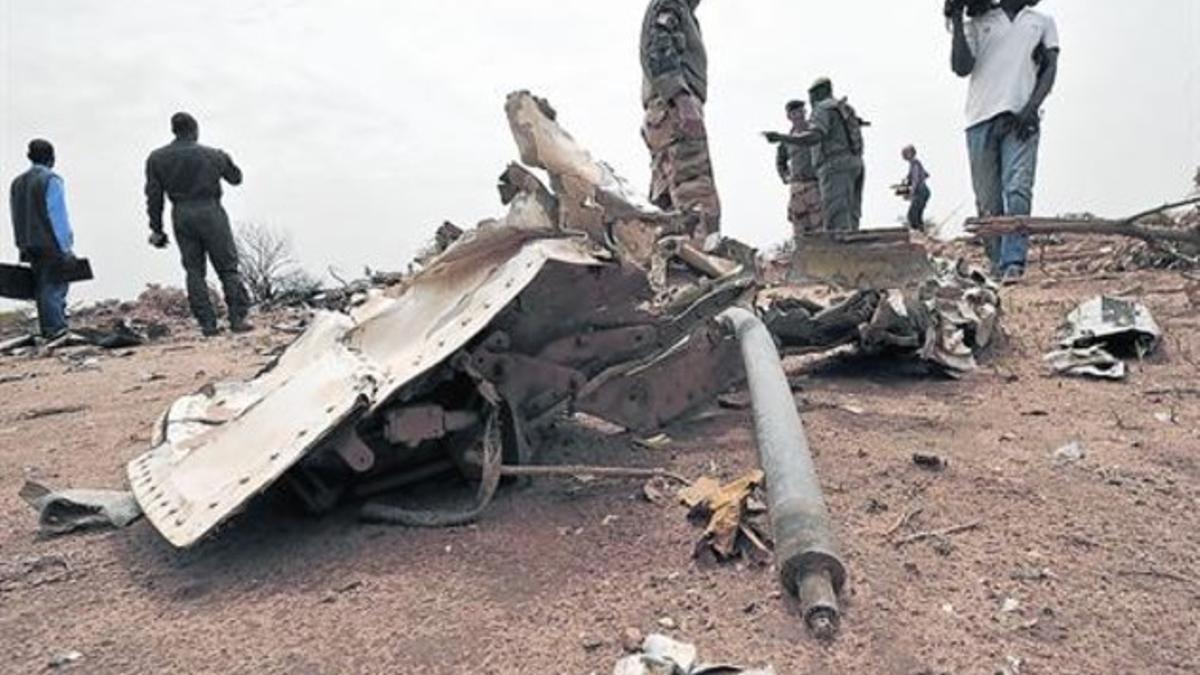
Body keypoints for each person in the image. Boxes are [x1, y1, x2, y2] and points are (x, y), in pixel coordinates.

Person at [949, 0, 1060, 283]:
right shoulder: (979, 19)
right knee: (987, 198)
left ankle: (1013, 262)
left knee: (1018, 189)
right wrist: (958, 17)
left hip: (1021, 118)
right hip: (980, 118)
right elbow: (961, 67)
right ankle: (996, 262)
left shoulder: (1041, 22)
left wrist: (1031, 109)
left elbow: (1049, 69)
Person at [145, 112, 252, 336]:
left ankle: (207, 324)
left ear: (174, 131)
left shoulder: (157, 158)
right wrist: (227, 159)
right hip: (210, 210)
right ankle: (237, 319)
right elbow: (236, 178)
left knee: (194, 271)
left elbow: (154, 196)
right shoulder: (213, 155)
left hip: (181, 213)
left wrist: (157, 229)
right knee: (227, 267)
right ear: (195, 129)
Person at [640, 0, 721, 239]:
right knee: (696, 196)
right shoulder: (671, 4)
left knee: (665, 204)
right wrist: (681, 98)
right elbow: (657, 44)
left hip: (663, 111)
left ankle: (671, 265)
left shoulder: (678, 9)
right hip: (674, 107)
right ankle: (704, 265)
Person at [765, 78, 867, 232]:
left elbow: (814, 137)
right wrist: (786, 176)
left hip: (833, 170)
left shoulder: (822, 110)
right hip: (853, 165)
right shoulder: (843, 108)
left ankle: (839, 254)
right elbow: (781, 162)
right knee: (849, 218)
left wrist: (781, 137)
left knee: (835, 222)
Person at [8, 139, 74, 338]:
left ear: (29, 157)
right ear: (52, 158)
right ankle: (57, 330)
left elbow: (14, 214)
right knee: (54, 286)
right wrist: (66, 246)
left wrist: (21, 243)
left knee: (40, 287)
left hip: (27, 242)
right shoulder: (51, 179)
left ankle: (48, 329)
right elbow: (57, 215)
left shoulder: (17, 183)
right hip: (50, 242)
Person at [774, 100, 823, 237]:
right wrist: (786, 177)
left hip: (815, 185)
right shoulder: (787, 140)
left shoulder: (815, 133)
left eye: (801, 112)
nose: (799, 116)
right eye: (795, 113)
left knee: (820, 227)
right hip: (797, 187)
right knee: (799, 229)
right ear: (789, 116)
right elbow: (780, 162)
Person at [900, 145, 931, 231]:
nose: (904, 156)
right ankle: (921, 232)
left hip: (921, 192)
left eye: (905, 153)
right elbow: (926, 175)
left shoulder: (915, 163)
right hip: (923, 192)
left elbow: (915, 181)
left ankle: (919, 233)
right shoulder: (914, 164)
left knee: (912, 215)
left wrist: (911, 193)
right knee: (917, 215)